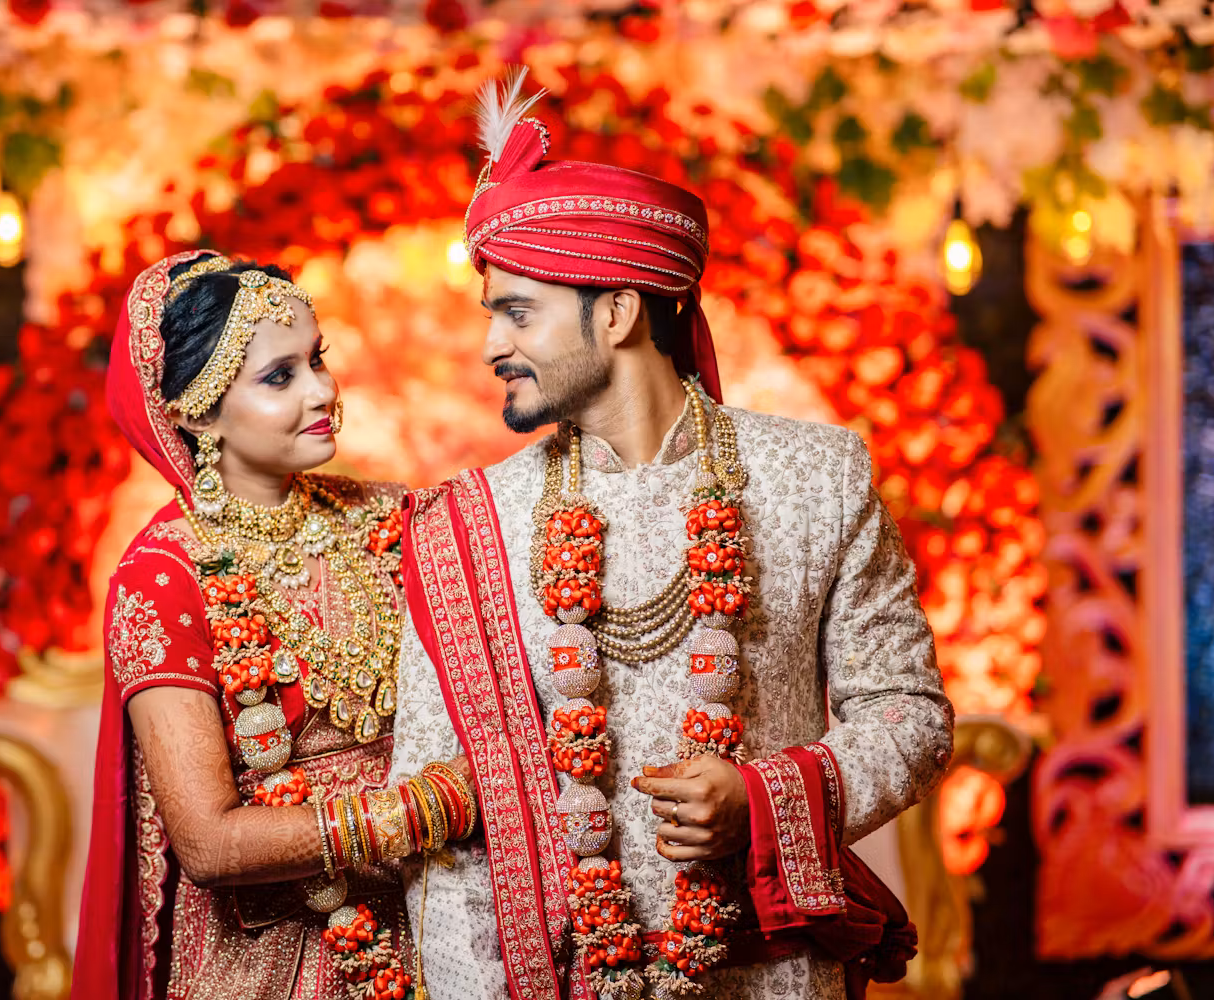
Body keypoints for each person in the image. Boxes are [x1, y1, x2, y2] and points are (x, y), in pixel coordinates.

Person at [389, 72, 954, 1000]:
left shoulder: (814, 478)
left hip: (768, 977)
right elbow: (440, 808)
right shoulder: (471, 521)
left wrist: (765, 800)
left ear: (614, 313)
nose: (492, 343)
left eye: (517, 310)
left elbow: (909, 715)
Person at [75, 251, 478, 1000]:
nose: (323, 391)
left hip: (443, 924)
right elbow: (208, 841)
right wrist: (422, 809)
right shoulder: (162, 577)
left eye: (318, 360)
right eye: (279, 377)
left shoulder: (387, 517)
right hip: (275, 961)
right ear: (194, 410)